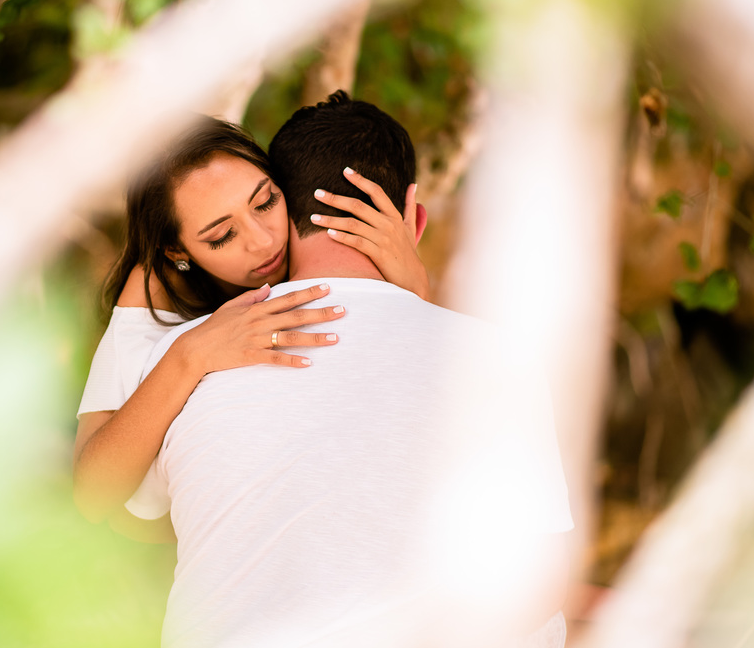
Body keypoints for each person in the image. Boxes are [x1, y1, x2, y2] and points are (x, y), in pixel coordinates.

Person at [125, 91, 574, 647]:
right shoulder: (493, 355)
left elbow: (123, 508)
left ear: (284, 211)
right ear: (415, 218)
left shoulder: (188, 352)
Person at [72, 116, 430, 538]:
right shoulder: (155, 293)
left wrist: (413, 292)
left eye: (265, 202)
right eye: (222, 236)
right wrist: (190, 354)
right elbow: (93, 496)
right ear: (177, 252)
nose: (263, 240)